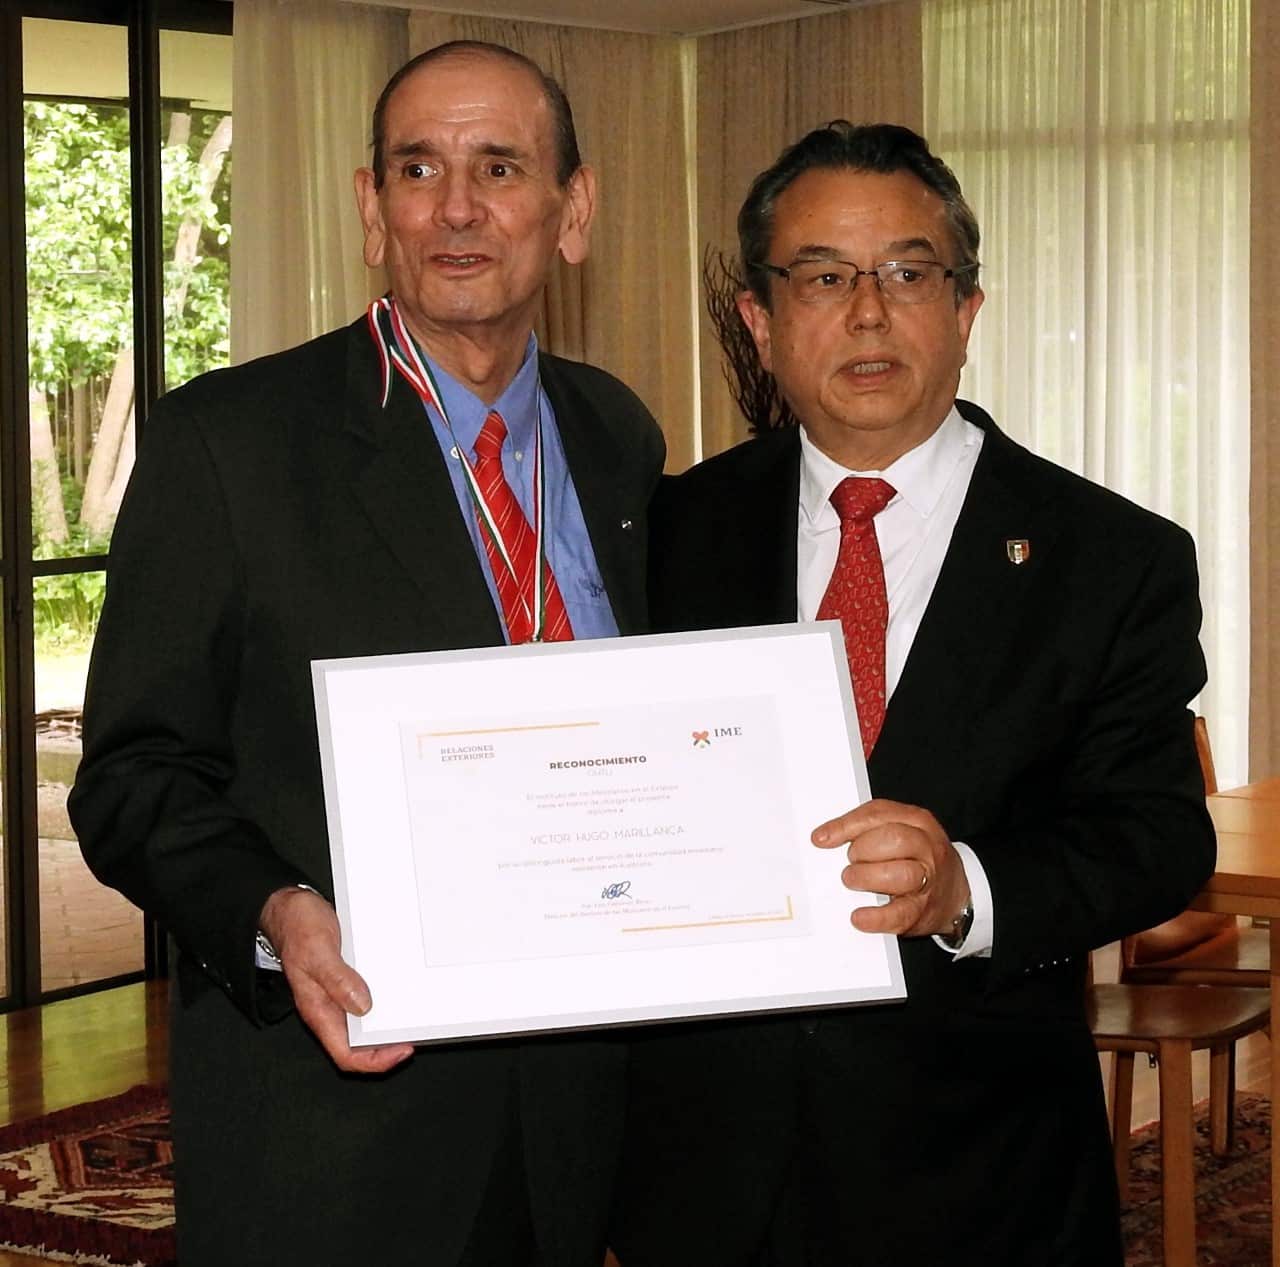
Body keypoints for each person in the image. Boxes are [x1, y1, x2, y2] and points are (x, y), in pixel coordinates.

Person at [68, 41, 664, 1267]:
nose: (456, 206)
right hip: (335, 1123)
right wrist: (275, 914)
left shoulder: (616, 436)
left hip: (579, 1116)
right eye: (417, 168)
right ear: (369, 208)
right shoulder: (226, 446)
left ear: (574, 210)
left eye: (499, 166)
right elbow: (132, 779)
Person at [611, 122, 1215, 1267]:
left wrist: (963, 890)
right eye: (824, 277)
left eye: (906, 272)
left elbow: (1153, 836)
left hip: (980, 1172)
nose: (868, 312)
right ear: (761, 319)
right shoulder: (669, 531)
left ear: (966, 312)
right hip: (704, 1173)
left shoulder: (1110, 555)